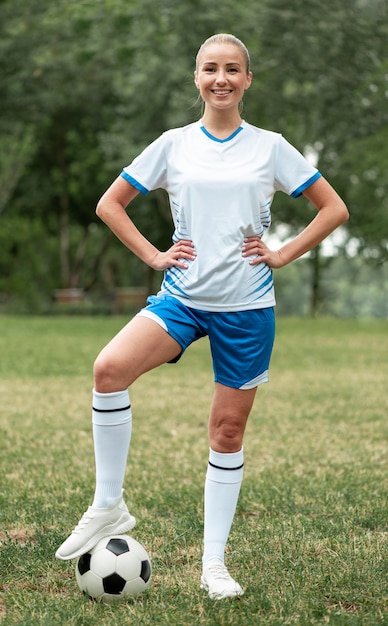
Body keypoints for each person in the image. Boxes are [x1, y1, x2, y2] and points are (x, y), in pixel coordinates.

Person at [55, 33, 349, 599]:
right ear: (197, 78)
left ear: (247, 79)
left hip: (246, 309)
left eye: (232, 70)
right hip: (182, 298)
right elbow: (109, 203)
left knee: (227, 430)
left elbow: (332, 207)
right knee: (108, 370)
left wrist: (283, 254)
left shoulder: (271, 147)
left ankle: (213, 565)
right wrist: (154, 255)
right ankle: (108, 505)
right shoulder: (172, 145)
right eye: (211, 69)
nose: (221, 79)